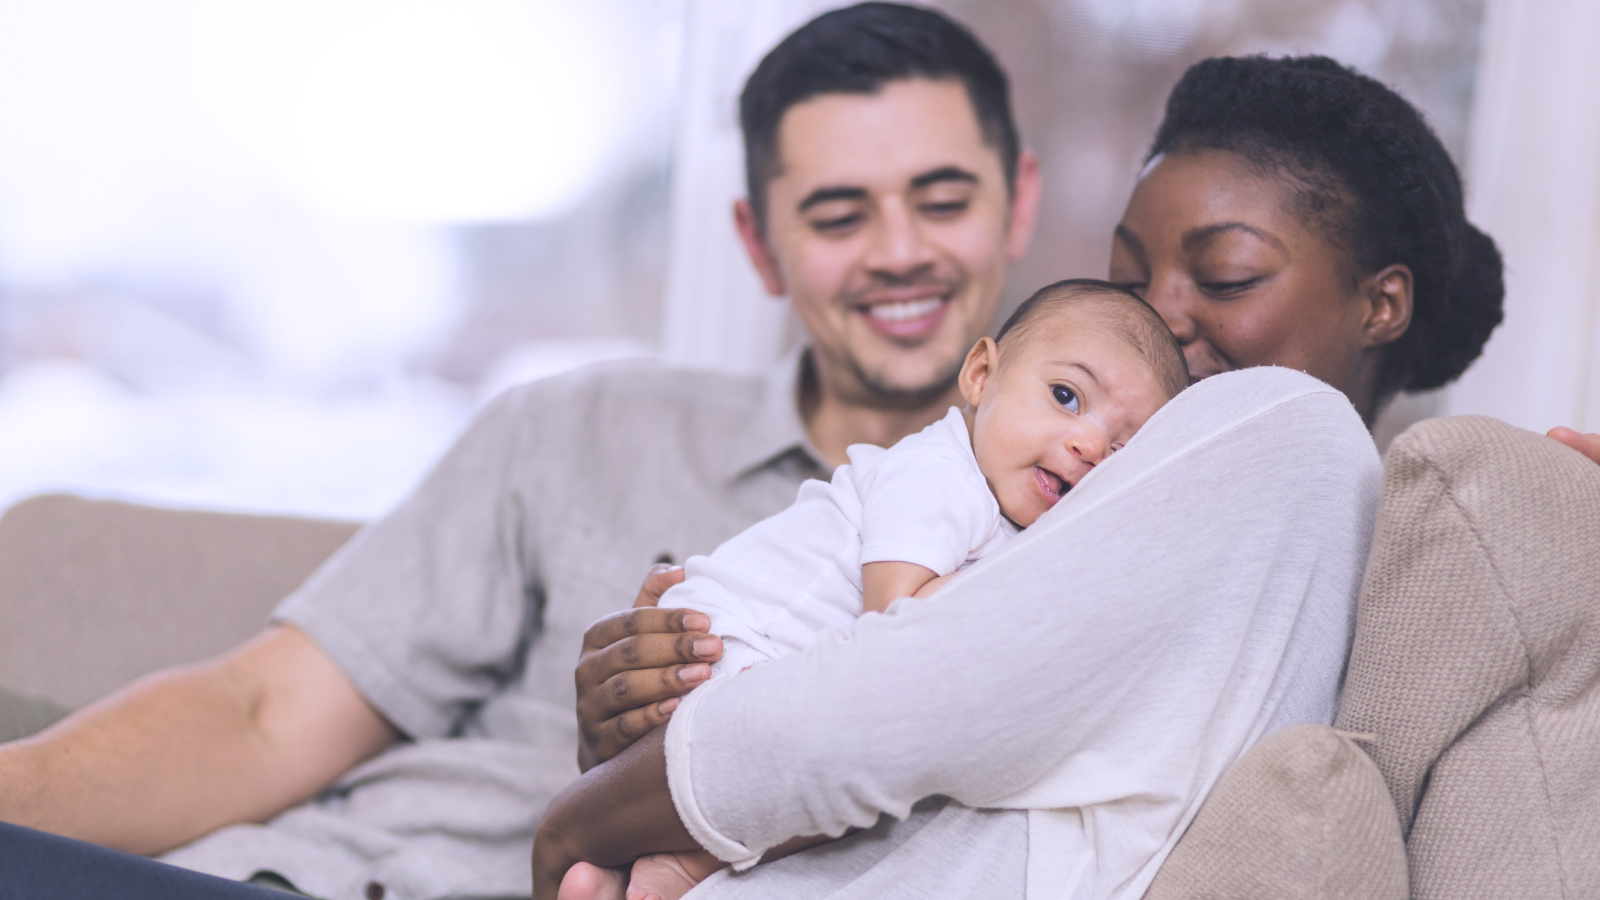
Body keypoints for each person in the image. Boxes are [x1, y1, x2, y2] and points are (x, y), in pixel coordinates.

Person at [0, 4, 1042, 899]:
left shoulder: (1074, 536)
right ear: (759, 244)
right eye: (837, 214)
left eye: (942, 199)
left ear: (1018, 203)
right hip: (285, 872)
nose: (901, 249)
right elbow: (264, 715)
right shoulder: (578, 428)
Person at [551, 53, 1600, 900]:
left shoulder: (1304, 444)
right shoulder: (1064, 482)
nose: (1162, 319)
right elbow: (870, 686)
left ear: (1382, 304)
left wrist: (585, 818)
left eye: (1224, 277)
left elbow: (886, 700)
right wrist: (666, 701)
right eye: (1130, 279)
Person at [619, 280, 1186, 897]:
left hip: (763, 675)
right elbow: (898, 619)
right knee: (877, 761)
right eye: (1066, 396)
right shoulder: (940, 473)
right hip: (724, 646)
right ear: (981, 374)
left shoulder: (1005, 515)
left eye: (1124, 450)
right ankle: (690, 860)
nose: (1091, 444)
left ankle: (667, 857)